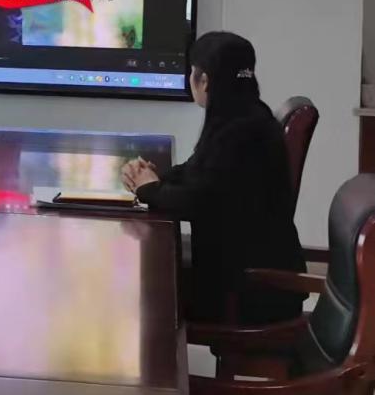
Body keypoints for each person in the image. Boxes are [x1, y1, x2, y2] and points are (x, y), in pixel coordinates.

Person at [121, 32, 305, 324]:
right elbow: (198, 171)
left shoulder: (240, 132)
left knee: (136, 287)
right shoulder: (246, 116)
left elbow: (199, 202)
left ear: (204, 80)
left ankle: (153, 355)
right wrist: (153, 179)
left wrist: (150, 189)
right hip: (243, 276)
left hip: (245, 293)